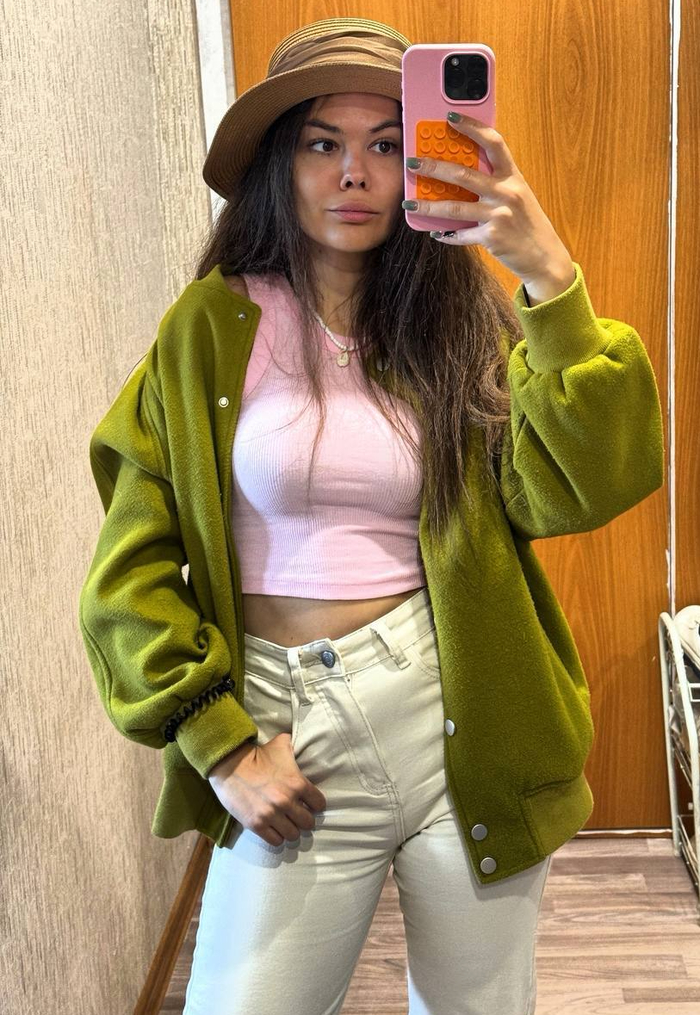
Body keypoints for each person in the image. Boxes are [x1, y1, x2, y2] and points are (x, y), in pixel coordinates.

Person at [77, 16, 664, 1015]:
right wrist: (218, 741)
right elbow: (128, 568)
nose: (354, 172)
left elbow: (581, 486)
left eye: (387, 144)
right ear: (280, 164)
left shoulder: (460, 322)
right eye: (323, 143)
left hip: (459, 707)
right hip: (285, 722)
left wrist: (550, 280)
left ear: (417, 163)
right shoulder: (210, 327)